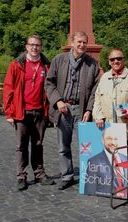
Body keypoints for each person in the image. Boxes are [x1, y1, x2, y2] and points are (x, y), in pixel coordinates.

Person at [45, 31, 100, 190]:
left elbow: (96, 89)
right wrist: (58, 101)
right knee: (63, 146)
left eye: (84, 42)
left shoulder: (92, 64)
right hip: (63, 108)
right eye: (79, 42)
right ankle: (67, 176)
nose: (82, 45)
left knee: (87, 145)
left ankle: (90, 177)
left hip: (82, 109)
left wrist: (89, 109)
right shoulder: (59, 60)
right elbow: (49, 83)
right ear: (72, 42)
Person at [3, 34, 55, 190]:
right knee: (21, 145)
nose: (34, 47)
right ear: (26, 46)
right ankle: (21, 176)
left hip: (39, 111)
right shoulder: (16, 64)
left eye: (37, 45)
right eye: (31, 44)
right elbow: (8, 88)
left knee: (38, 144)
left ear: (41, 47)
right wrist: (9, 113)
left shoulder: (46, 65)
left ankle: (39, 174)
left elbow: (51, 88)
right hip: (22, 111)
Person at [92, 48, 128, 140]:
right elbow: (97, 99)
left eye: (119, 58)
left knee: (123, 154)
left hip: (124, 128)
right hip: (105, 128)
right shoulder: (104, 78)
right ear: (109, 62)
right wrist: (98, 116)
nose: (116, 61)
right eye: (112, 59)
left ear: (124, 60)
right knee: (105, 153)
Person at [84, 126, 127, 197]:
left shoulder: (125, 158)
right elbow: (90, 190)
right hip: (104, 199)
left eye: (115, 139)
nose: (113, 142)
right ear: (102, 140)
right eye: (109, 138)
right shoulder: (94, 161)